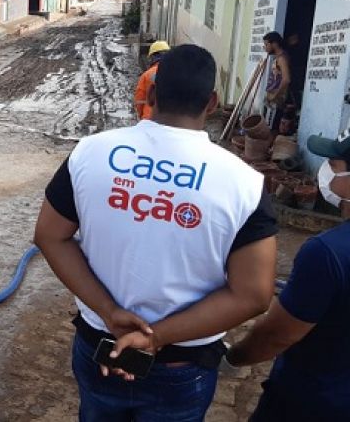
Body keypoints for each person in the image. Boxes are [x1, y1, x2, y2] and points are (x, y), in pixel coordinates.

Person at [34, 44, 278, 421]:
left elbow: (50, 236)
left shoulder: (90, 153)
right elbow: (254, 294)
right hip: (182, 366)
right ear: (212, 103)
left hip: (101, 344)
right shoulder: (244, 184)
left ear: (150, 94)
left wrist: (109, 311)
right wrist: (155, 336)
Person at [226, 128, 350, 421]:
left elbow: (276, 336)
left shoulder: (327, 254)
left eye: (334, 165)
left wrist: (232, 357)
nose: (326, 173)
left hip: (312, 404)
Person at [259, 31, 290, 133]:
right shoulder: (277, 58)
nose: (265, 47)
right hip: (271, 99)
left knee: (270, 129)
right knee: (266, 127)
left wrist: (275, 95)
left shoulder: (281, 59)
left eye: (267, 44)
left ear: (275, 44)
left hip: (276, 101)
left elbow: (286, 79)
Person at [133, 40, 170, 120]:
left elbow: (139, 99)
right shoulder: (178, 73)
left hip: (149, 118)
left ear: (153, 57)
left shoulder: (147, 75)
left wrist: (141, 116)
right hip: (172, 122)